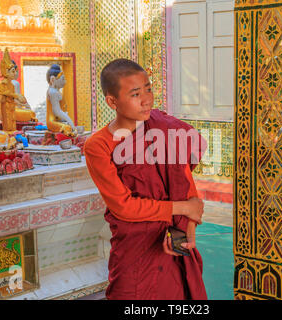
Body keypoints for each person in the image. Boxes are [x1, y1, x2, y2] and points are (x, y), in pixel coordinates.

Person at [84, 58, 207, 300]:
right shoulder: (98, 146)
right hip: (135, 251)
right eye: (135, 93)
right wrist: (183, 208)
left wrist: (186, 231)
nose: (147, 99)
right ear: (112, 101)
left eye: (148, 89)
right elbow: (124, 207)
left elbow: (187, 192)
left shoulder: (163, 130)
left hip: (171, 243)